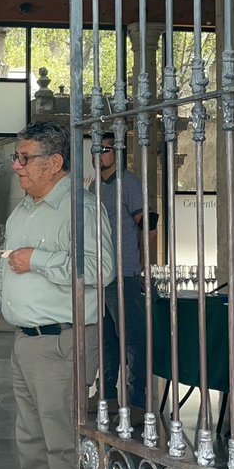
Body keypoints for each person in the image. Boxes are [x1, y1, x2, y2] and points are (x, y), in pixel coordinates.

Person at [0, 121, 113, 469]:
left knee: (62, 445)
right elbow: (3, 265)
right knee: (32, 442)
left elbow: (101, 267)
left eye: (24, 158)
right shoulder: (23, 211)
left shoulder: (82, 207)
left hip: (64, 341)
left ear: (54, 163)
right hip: (26, 342)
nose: (16, 166)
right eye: (16, 158)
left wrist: (37, 260)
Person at [90, 131, 150, 410]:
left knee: (133, 338)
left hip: (124, 271)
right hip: (99, 274)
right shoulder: (94, 188)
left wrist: (144, 265)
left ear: (117, 152)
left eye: (105, 149)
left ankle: (137, 400)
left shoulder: (129, 183)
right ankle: (107, 394)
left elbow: (146, 224)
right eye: (96, 149)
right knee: (106, 340)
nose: (100, 154)